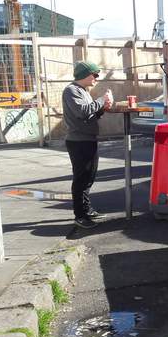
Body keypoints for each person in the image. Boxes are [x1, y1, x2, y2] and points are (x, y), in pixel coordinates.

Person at [62, 61, 113, 229]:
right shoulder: (71, 91)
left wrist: (102, 108)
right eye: (95, 74)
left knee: (89, 177)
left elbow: (90, 115)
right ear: (85, 74)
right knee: (81, 179)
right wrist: (101, 100)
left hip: (88, 138)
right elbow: (82, 111)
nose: (96, 78)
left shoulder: (83, 91)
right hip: (78, 141)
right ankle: (80, 215)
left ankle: (86, 209)